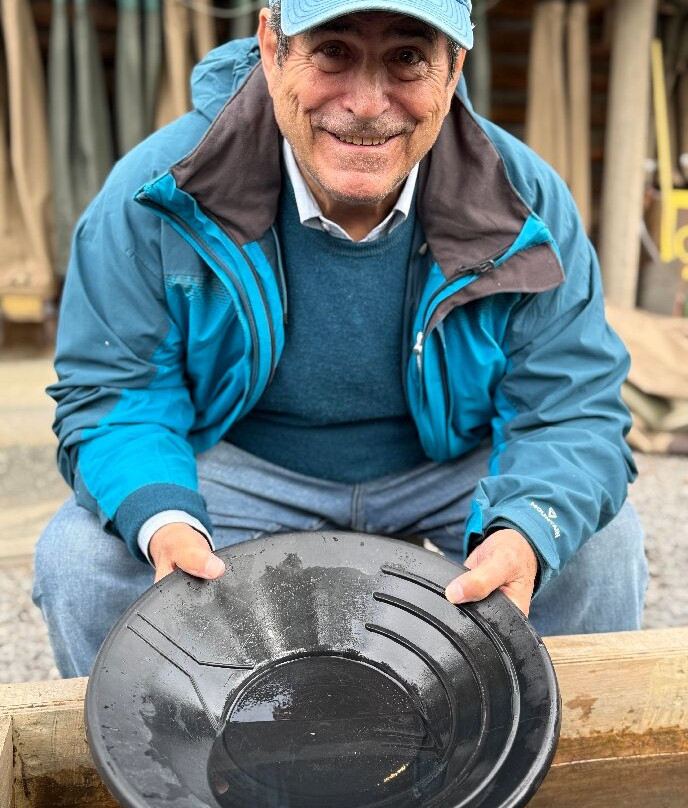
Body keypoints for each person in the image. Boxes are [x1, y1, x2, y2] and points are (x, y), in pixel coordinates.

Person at [34, 0, 647, 679]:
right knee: (83, 561)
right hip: (240, 461)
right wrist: (166, 519)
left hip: (446, 466)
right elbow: (116, 392)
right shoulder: (157, 191)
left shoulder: (523, 199)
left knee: (599, 550)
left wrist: (526, 532)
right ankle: (169, 765)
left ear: (454, 70)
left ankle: (531, 764)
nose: (365, 103)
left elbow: (570, 407)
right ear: (271, 47)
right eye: (333, 52)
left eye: (408, 57)